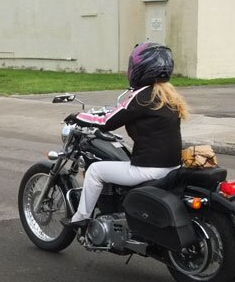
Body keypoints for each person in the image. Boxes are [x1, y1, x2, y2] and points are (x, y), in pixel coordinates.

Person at [62, 42, 189, 229]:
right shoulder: (168, 95)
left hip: (149, 168)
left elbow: (106, 122)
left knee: (95, 170)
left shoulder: (141, 96)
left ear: (140, 68)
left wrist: (78, 116)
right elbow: (124, 113)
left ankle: (80, 218)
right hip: (173, 166)